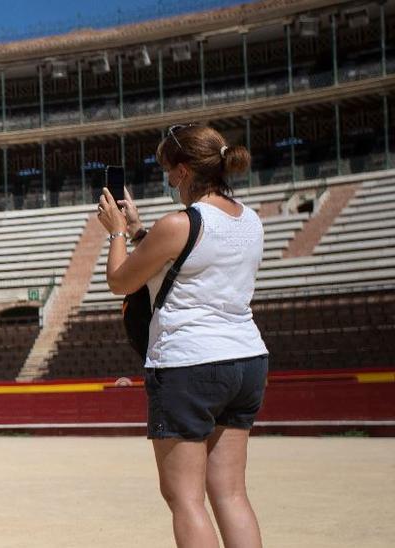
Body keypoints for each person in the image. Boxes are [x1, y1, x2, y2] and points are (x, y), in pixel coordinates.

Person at [98, 123, 268, 548]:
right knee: (230, 493)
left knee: (185, 499)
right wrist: (140, 231)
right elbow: (195, 257)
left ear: (184, 170)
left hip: (189, 362)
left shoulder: (178, 223)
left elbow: (120, 281)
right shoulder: (250, 220)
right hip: (246, 358)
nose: (168, 179)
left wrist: (117, 231)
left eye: (168, 170)